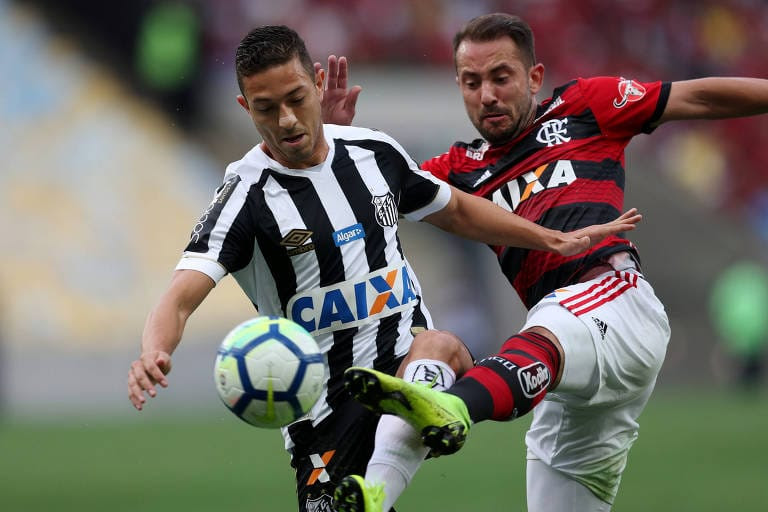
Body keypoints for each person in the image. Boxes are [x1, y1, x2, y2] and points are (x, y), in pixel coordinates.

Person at [125, 24, 641, 512]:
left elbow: (458, 210)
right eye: (266, 108)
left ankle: (411, 424)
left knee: (442, 345)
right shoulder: (245, 195)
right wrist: (154, 350)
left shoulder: (373, 152)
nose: (286, 120)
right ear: (245, 107)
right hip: (326, 412)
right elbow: (179, 296)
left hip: (405, 368)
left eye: (296, 99)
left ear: (318, 83)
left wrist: (548, 237)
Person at [320, 12, 768, 512]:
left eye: (500, 77)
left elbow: (698, 98)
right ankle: (375, 496)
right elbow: (359, 201)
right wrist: (336, 145)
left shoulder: (585, 106)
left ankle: (455, 406)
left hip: (618, 303)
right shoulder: (456, 171)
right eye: (472, 82)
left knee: (535, 334)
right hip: (568, 366)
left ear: (534, 77)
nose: (487, 95)